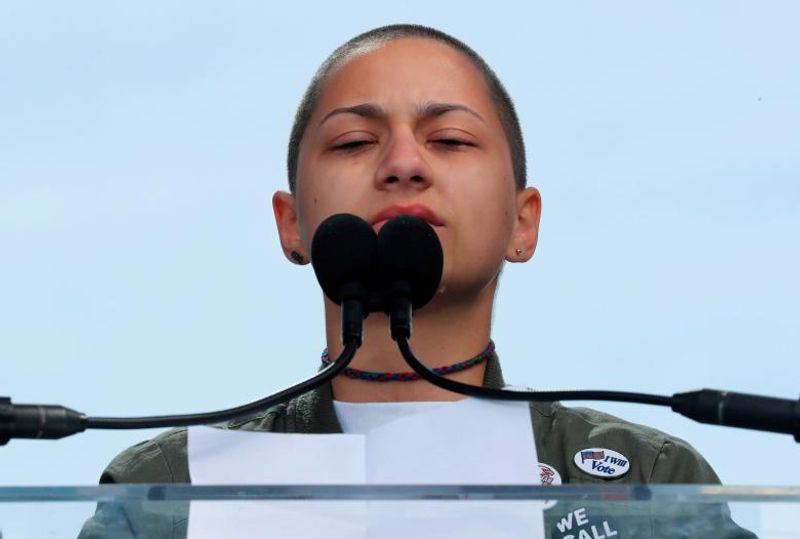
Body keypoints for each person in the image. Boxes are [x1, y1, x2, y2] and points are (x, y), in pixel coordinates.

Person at [79, 24, 753, 539]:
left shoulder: (649, 486)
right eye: (353, 142)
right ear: (292, 224)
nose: (404, 163)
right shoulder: (169, 494)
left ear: (524, 222)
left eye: (450, 139)